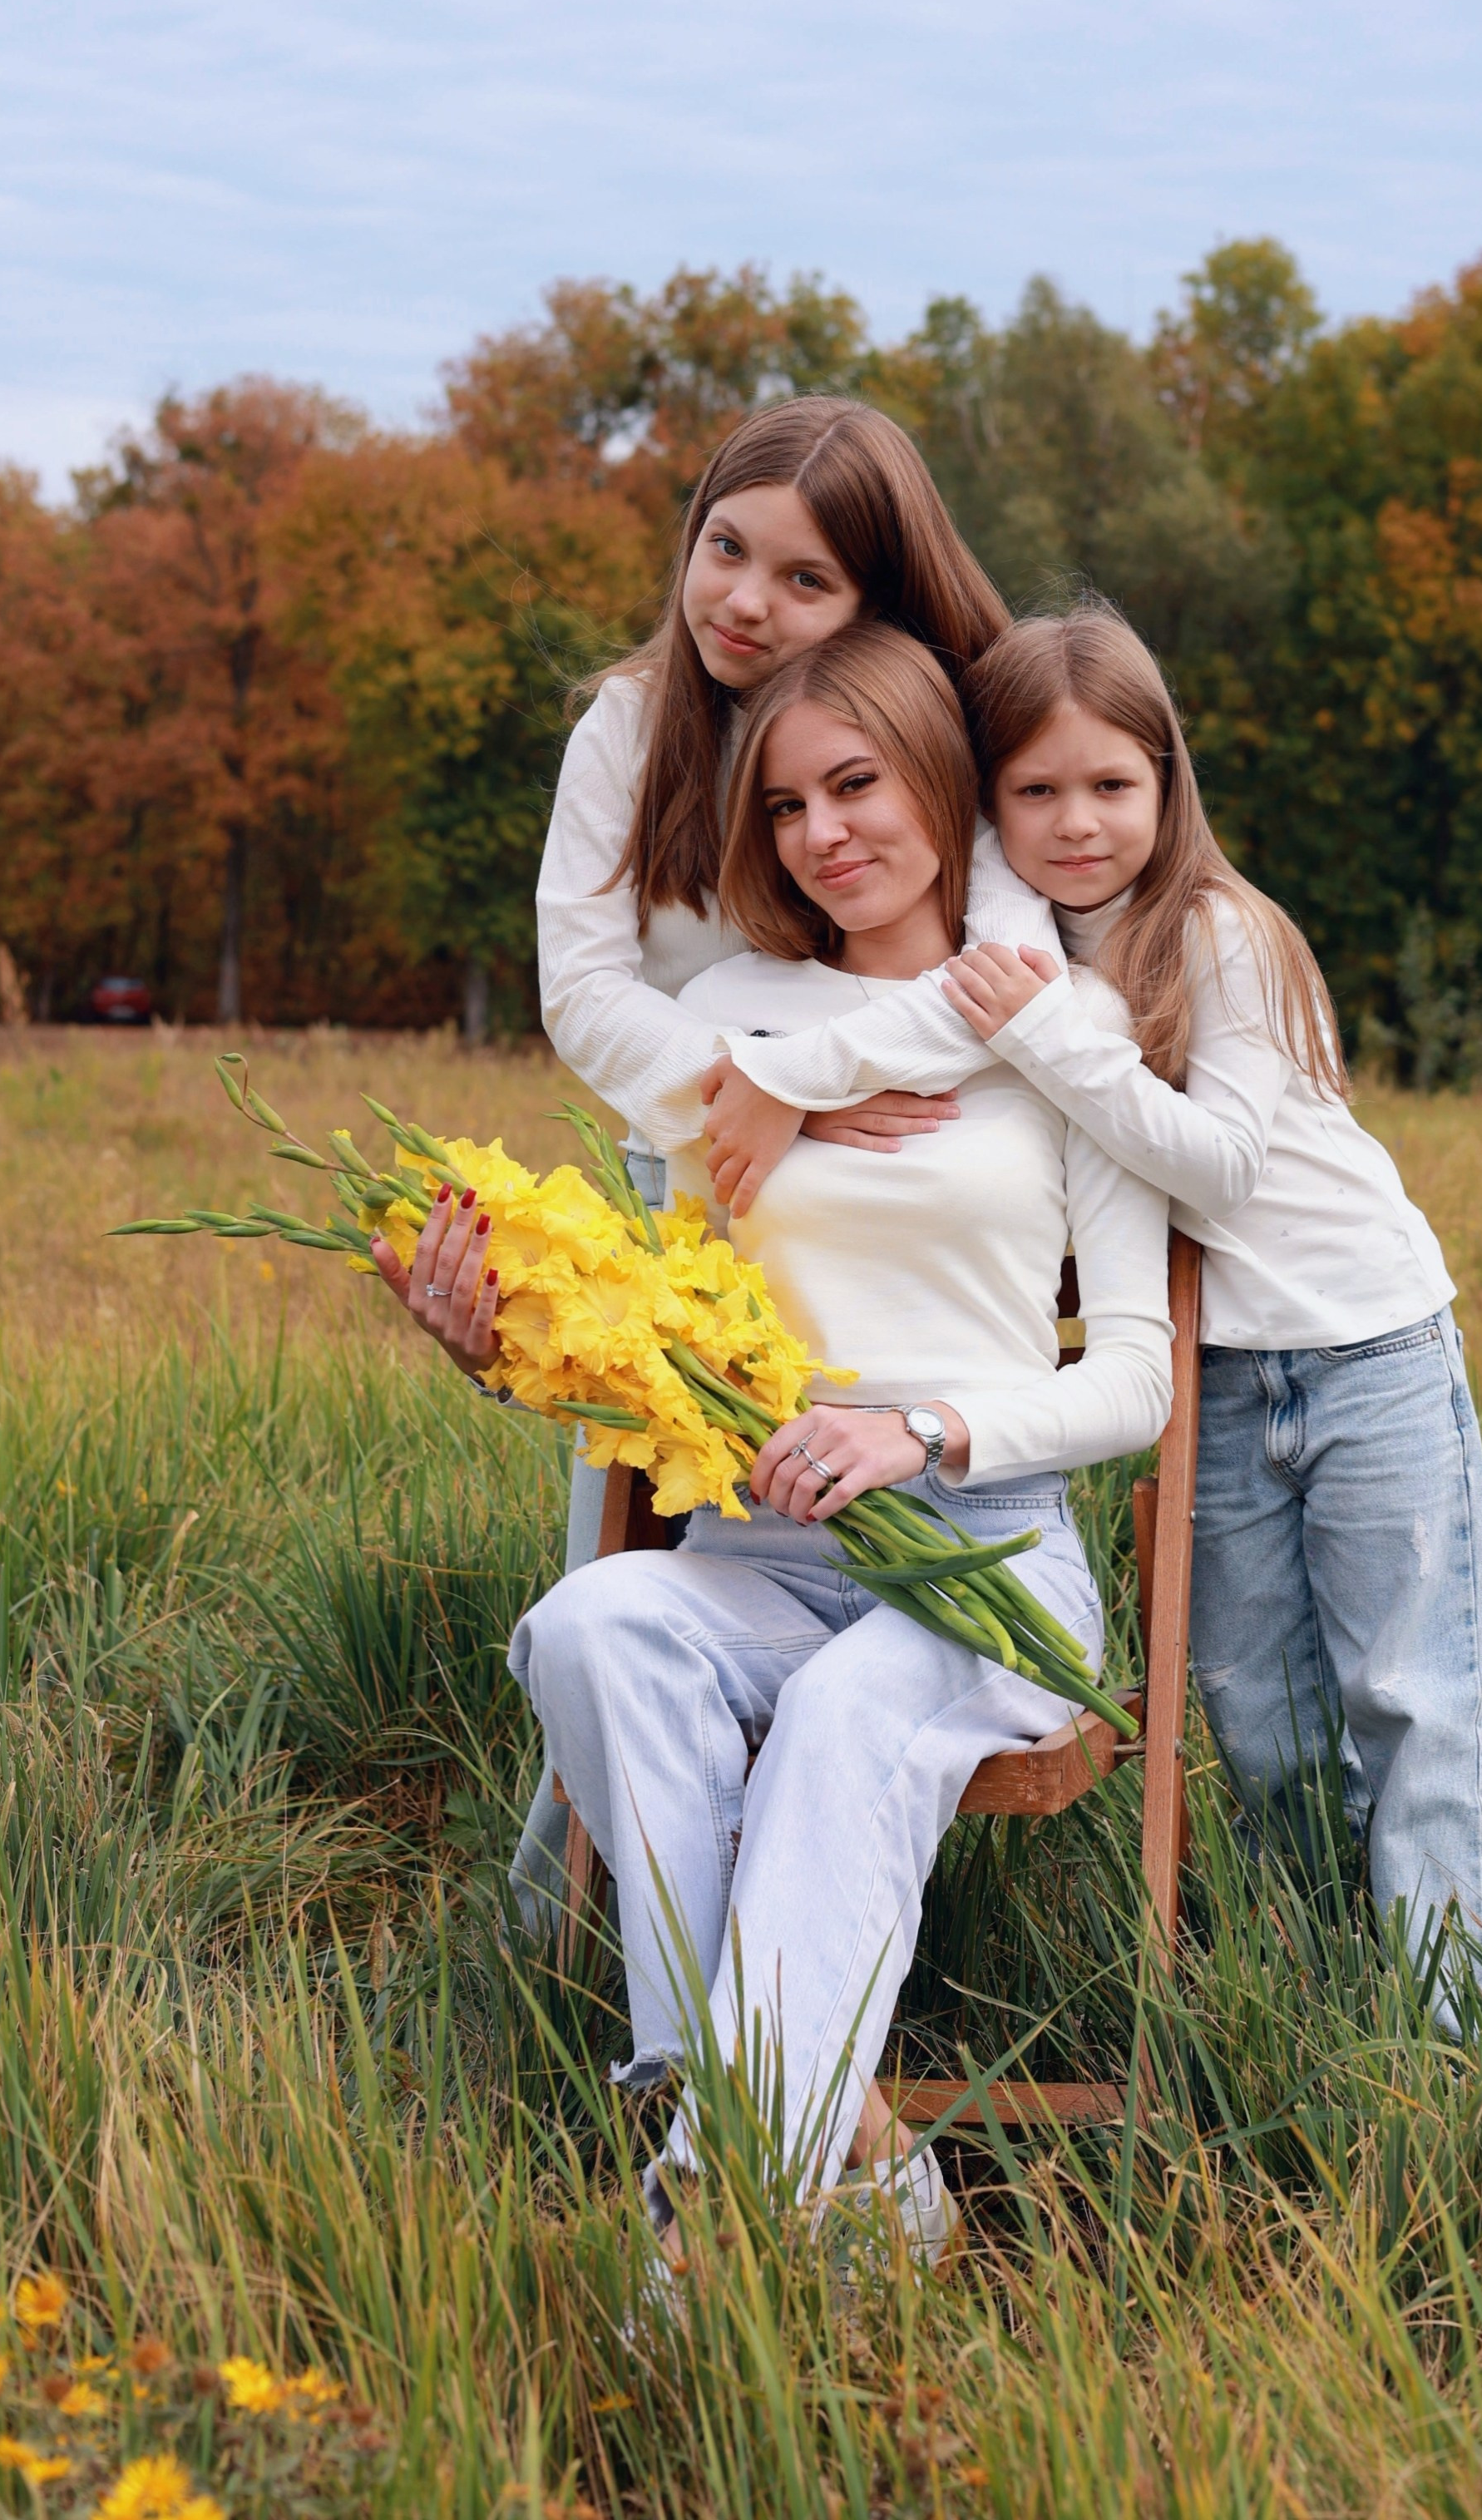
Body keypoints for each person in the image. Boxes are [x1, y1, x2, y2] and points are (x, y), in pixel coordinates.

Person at [709, 604, 1482, 2018]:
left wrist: (1040, 1038)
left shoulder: (1217, 930)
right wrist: (798, 1085)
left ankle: (1448, 2038)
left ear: (1167, 783)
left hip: (1363, 1338)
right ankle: (1318, 2006)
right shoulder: (1028, 931)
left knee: (1410, 1700)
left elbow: (1220, 1164)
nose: (1077, 822)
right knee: (1261, 1716)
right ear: (989, 804)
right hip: (1222, 1374)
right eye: (1037, 791)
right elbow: (929, 1018)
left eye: (1112, 785)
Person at [500, 626, 1171, 2259]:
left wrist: (921, 1429)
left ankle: (713, 2207)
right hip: (756, 1552)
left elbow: (1139, 1378)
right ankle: (843, 2149)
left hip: (982, 1562)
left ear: (939, 781)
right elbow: (658, 1316)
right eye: (788, 804)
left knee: (852, 1711)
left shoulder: (1049, 1018)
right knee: (596, 1624)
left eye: (855, 783)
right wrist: (503, 1321)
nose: (823, 833)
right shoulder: (724, 1020)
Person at [469, 396, 1064, 1920]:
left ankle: (782, 1931)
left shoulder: (937, 725)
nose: (745, 600)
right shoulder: (633, 719)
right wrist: (742, 1091)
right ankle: (565, 1922)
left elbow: (1005, 957)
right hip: (699, 1171)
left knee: (789, 1561)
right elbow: (583, 989)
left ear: (876, 598)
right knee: (633, 1549)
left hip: (906, 1159)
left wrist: (814, 1075)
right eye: (726, 549)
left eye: (806, 581)